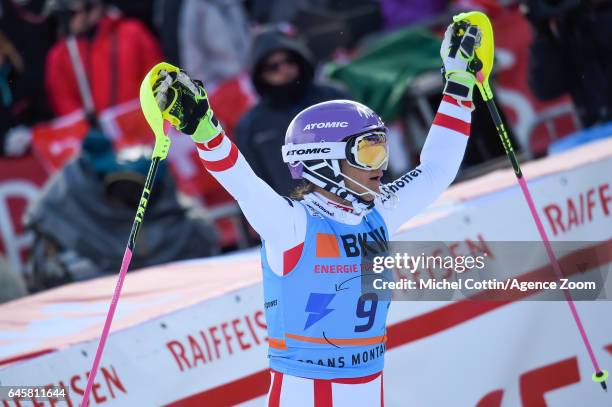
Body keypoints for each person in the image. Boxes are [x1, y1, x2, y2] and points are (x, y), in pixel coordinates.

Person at [150, 21, 480, 405]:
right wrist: (206, 130)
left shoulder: (377, 212)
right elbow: (243, 183)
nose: (381, 164)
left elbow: (437, 170)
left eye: (382, 148)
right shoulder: (292, 225)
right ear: (326, 162)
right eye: (367, 151)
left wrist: (458, 83)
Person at [24, 128, 219, 292]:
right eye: (120, 187)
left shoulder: (186, 227)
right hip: (98, 292)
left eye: (137, 188)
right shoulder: (71, 193)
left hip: (172, 277)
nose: (129, 195)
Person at [237, 27, 347, 196]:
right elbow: (254, 187)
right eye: (273, 67)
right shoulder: (251, 125)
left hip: (354, 202)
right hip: (299, 217)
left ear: (299, 59)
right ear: (260, 74)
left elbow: (372, 149)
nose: (283, 69)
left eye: (288, 61)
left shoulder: (335, 99)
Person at [45, 0, 162, 117]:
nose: (67, 20)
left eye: (72, 12)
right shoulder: (60, 56)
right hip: (93, 133)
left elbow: (157, 80)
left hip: (143, 126)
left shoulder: (132, 34)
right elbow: (65, 103)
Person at [523, 0, 612, 127]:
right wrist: (541, 32)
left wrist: (598, 10)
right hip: (596, 131)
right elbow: (545, 89)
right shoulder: (571, 21)